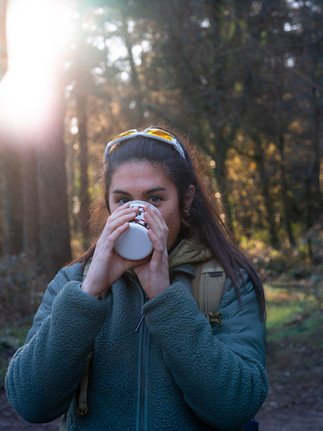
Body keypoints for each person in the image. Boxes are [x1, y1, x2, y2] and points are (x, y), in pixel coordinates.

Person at [5, 126, 268, 430]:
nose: (137, 213)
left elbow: (237, 404)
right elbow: (30, 402)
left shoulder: (227, 280)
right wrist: (88, 294)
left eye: (155, 198)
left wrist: (165, 299)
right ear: (108, 204)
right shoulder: (72, 282)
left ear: (186, 200)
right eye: (122, 200)